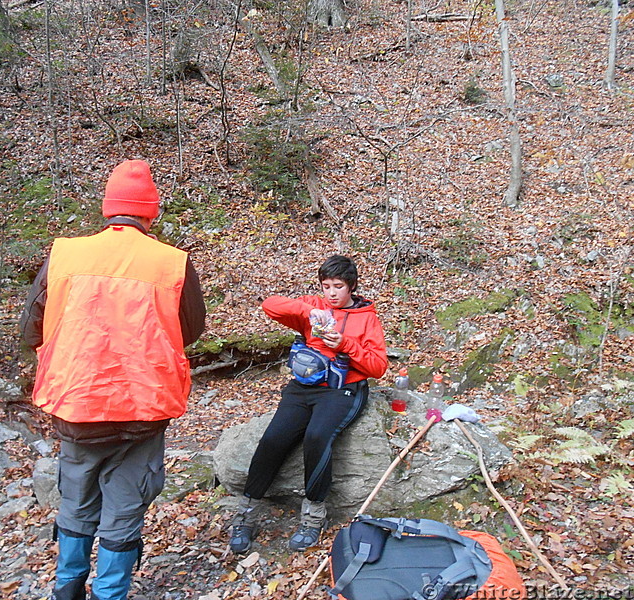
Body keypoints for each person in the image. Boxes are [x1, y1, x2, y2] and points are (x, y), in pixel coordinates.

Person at [20, 159, 205, 600]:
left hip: (77, 401)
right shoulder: (172, 263)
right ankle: (110, 594)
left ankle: (66, 589)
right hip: (143, 406)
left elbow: (30, 329)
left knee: (77, 498)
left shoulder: (66, 253)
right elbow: (192, 329)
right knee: (124, 508)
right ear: (151, 212)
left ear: (108, 209)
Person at [229, 255, 387, 553]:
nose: (331, 293)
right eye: (326, 286)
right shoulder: (314, 305)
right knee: (274, 439)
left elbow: (378, 367)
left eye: (338, 286)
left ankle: (313, 517)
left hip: (343, 388)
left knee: (316, 437)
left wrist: (343, 343)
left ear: (351, 286)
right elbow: (270, 306)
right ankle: (246, 514)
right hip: (304, 386)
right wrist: (310, 310)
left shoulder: (367, 317)